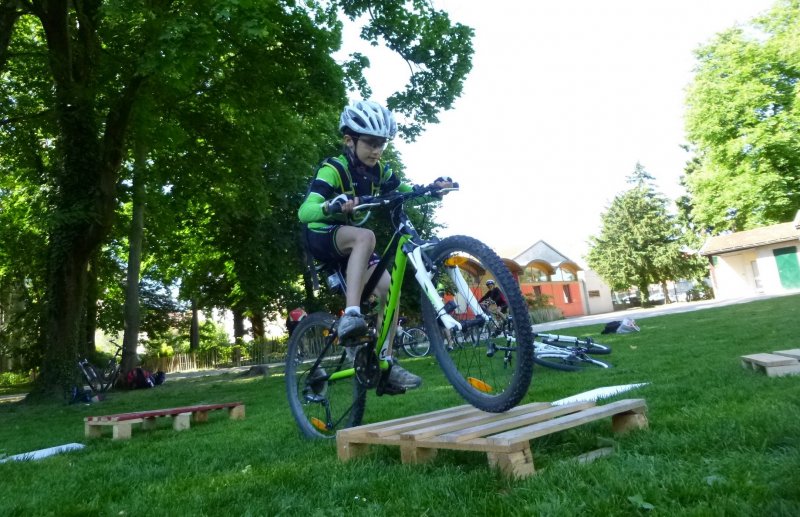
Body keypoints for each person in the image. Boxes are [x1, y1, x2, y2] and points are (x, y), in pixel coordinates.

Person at [298, 99, 452, 390]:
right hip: (320, 234)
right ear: (349, 140)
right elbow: (305, 212)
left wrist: (432, 191)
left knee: (388, 290)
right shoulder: (334, 169)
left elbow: (406, 192)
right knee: (366, 235)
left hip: (350, 244)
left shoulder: (380, 171)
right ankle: (351, 316)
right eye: (370, 142)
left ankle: (385, 363)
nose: (377, 150)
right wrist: (331, 206)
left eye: (382, 143)